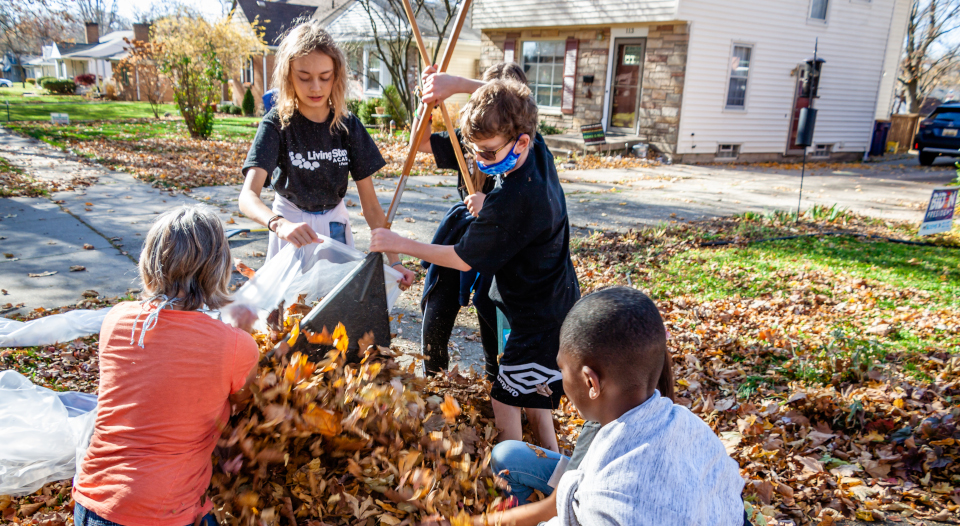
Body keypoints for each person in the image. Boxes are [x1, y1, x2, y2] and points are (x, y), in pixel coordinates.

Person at [370, 79, 581, 452]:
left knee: (504, 396)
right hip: (553, 302)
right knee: (533, 391)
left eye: (487, 153)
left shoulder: (515, 200)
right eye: (475, 153)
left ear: (520, 142)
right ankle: (552, 462)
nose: (481, 162)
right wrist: (453, 86)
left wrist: (399, 242)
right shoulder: (537, 153)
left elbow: (460, 257)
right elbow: (519, 102)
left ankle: (515, 474)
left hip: (538, 319)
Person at [472, 287, 747, 526]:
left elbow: (570, 505)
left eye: (561, 370)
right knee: (508, 455)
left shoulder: (602, 499)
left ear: (591, 382)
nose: (560, 381)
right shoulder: (691, 426)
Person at [72, 205, 261, 526]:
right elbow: (244, 404)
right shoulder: (235, 345)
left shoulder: (116, 320)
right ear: (217, 268)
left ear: (150, 260)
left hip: (95, 505)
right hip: (169, 512)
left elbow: (156, 390)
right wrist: (240, 334)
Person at [238, 18, 414, 288]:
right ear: (288, 76)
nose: (316, 87)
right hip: (290, 227)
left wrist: (395, 260)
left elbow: (371, 207)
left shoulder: (348, 126)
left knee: (333, 312)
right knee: (289, 313)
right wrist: (279, 224)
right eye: (304, 77)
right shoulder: (277, 124)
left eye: (325, 77)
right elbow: (247, 197)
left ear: (337, 76)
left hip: (334, 228)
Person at [416, 62, 528, 378]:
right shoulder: (468, 141)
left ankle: (502, 388)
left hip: (502, 246)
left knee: (496, 319)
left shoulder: (522, 149)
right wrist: (427, 100)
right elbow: (422, 141)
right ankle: (434, 379)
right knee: (436, 309)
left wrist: (490, 205)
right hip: (463, 236)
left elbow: (522, 207)